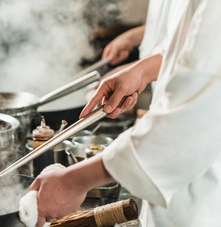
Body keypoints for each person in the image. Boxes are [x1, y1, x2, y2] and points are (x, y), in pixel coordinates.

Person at [30, 0, 221, 226]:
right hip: (173, 195)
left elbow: (187, 124)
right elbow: (187, 45)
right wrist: (142, 70)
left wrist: (74, 181)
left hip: (202, 200)